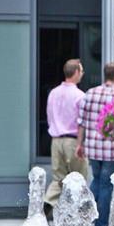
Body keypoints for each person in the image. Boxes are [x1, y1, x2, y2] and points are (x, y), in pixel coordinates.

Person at [76, 62, 114, 226]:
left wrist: (79, 144)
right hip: (111, 150)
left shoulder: (90, 93)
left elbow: (81, 122)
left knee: (97, 181)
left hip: (92, 147)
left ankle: (81, 217)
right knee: (106, 186)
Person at [44, 59, 89, 218]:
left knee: (58, 179)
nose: (82, 74)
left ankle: (47, 203)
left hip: (56, 140)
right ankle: (77, 215)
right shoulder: (80, 95)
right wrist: (80, 144)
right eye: (81, 71)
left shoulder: (53, 93)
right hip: (72, 140)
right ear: (76, 72)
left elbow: (49, 117)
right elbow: (81, 122)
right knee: (79, 178)